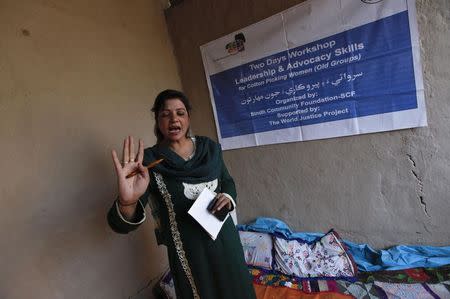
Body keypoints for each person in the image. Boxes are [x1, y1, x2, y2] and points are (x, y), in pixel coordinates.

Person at [107, 89, 256, 299]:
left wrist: (229, 199)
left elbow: (227, 182)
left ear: (188, 117)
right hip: (189, 253)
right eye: (165, 114)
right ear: (157, 121)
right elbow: (121, 223)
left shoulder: (210, 149)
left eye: (180, 113)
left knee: (237, 290)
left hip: (225, 239)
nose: (173, 119)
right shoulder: (150, 161)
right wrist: (127, 201)